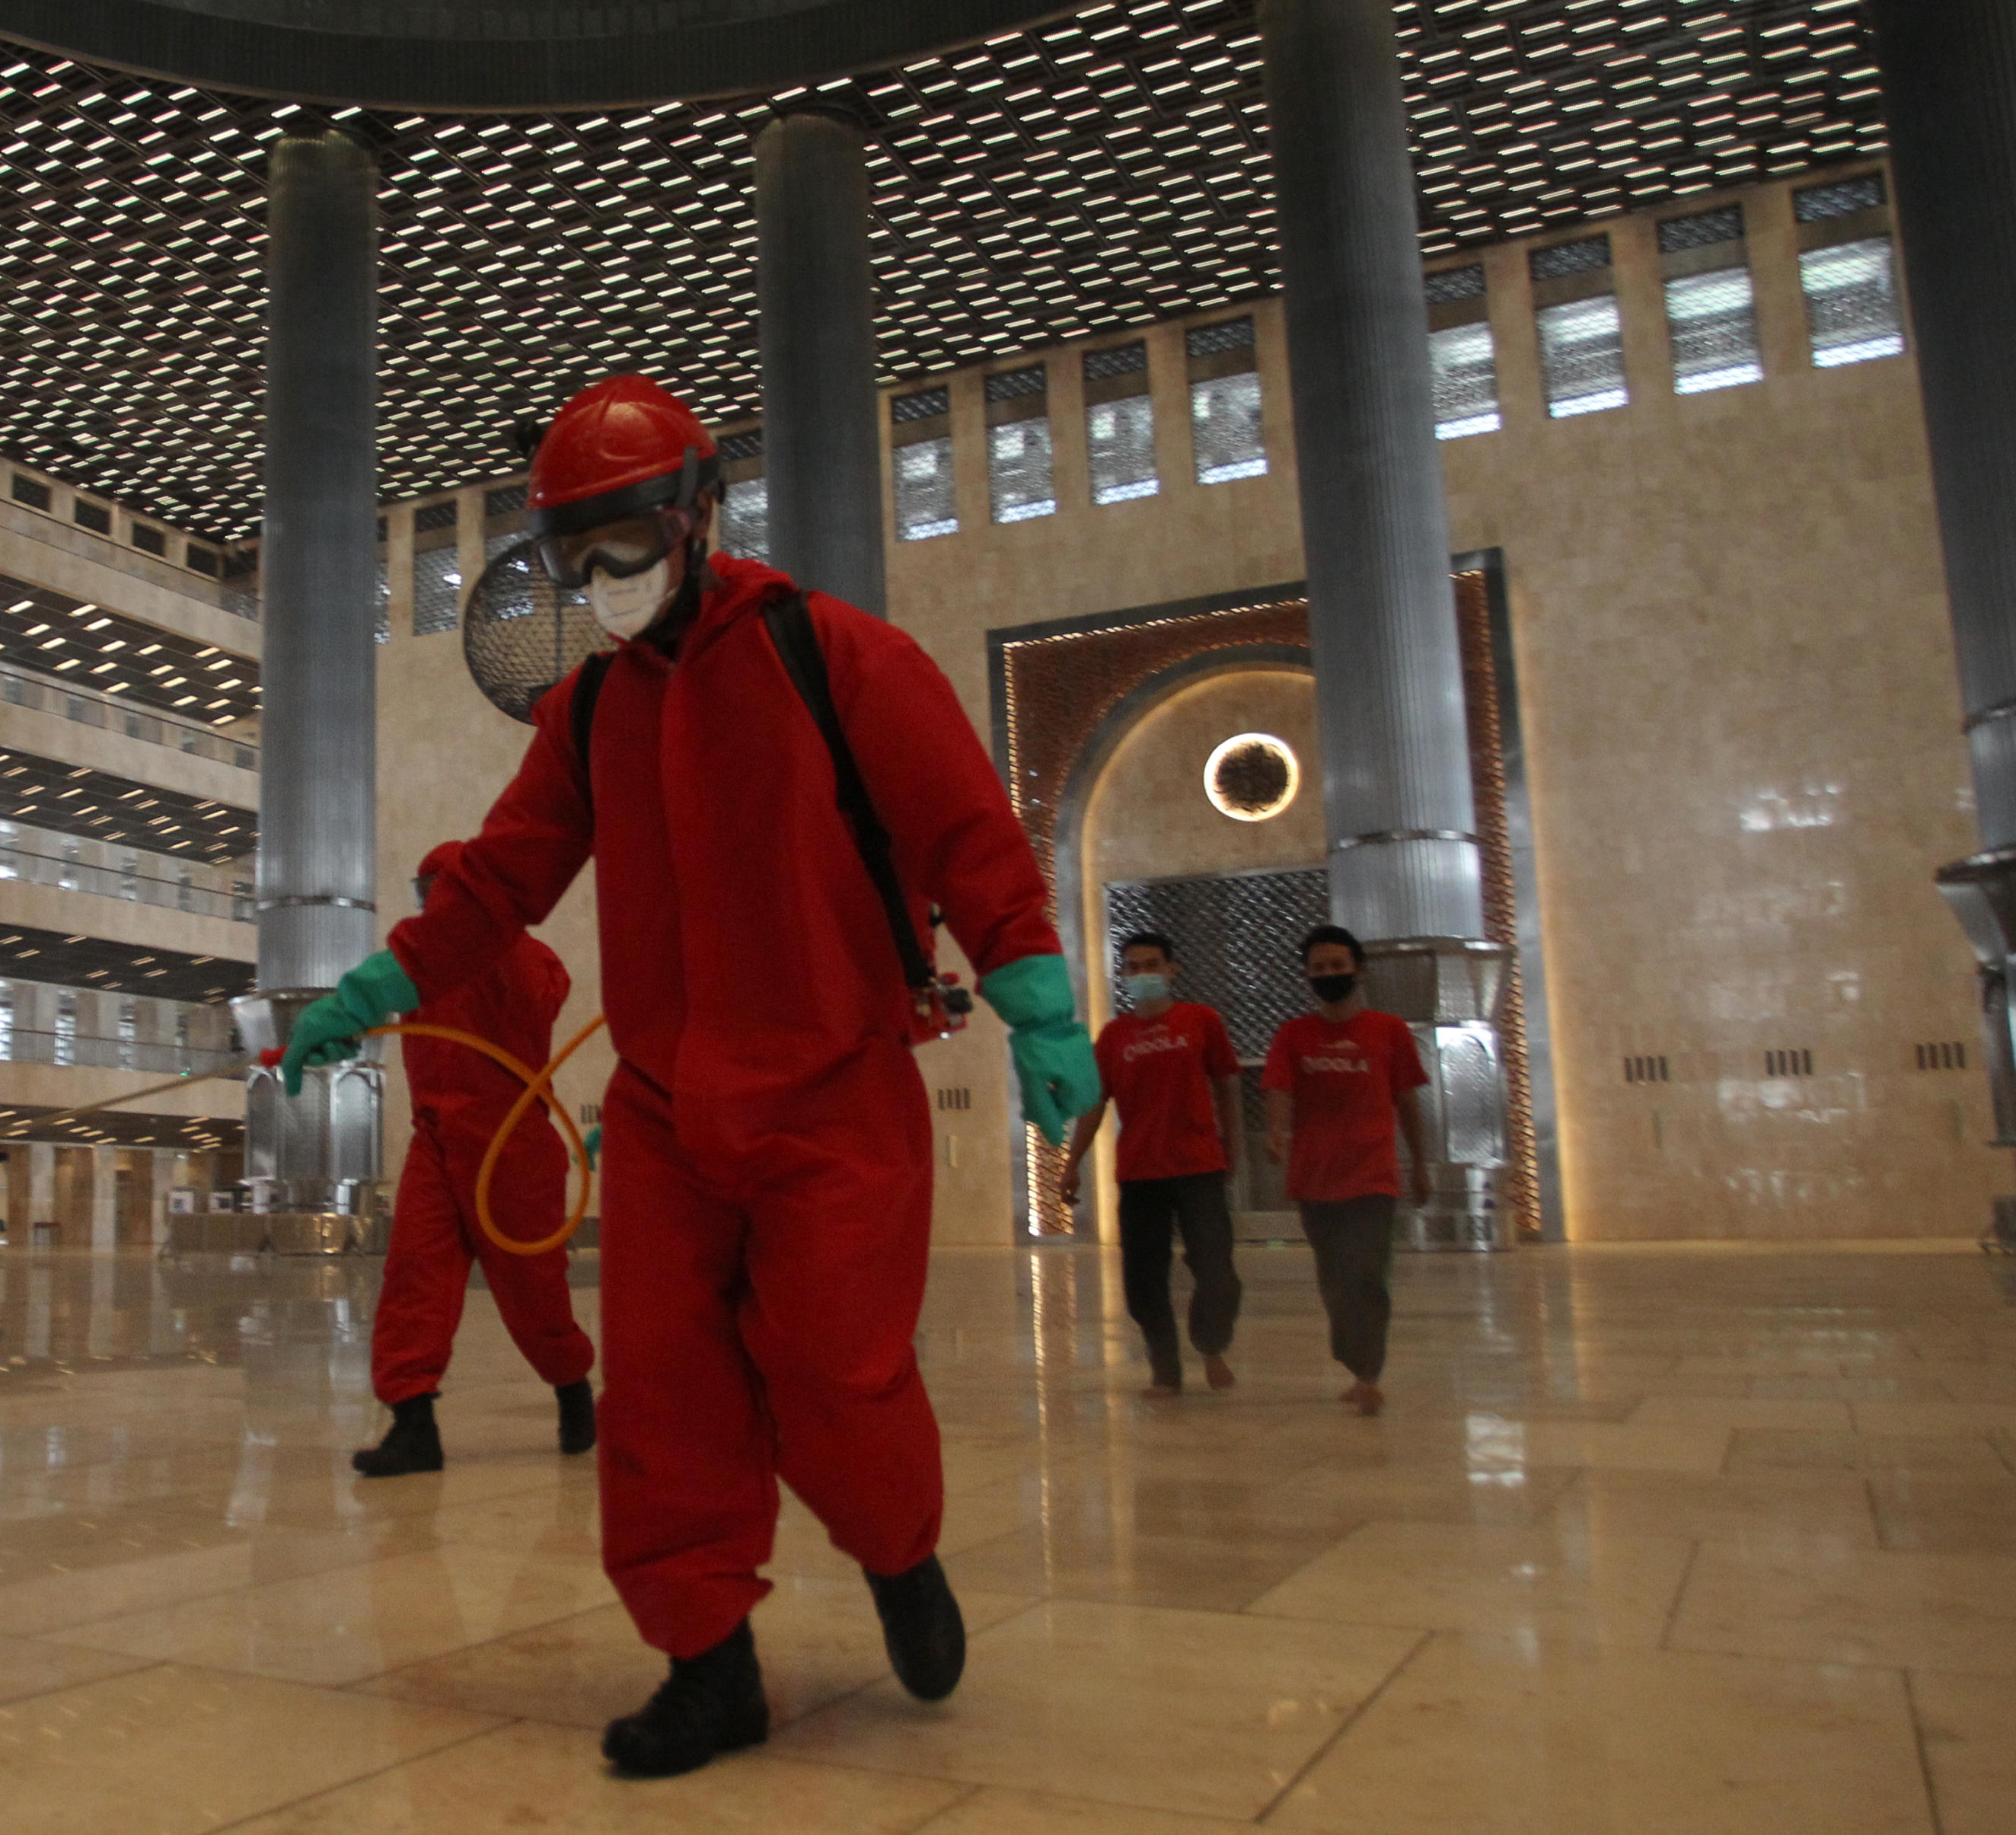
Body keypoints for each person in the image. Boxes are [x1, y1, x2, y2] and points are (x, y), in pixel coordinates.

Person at [283, 374, 1099, 1779]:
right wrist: (373, 987)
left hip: (835, 1091)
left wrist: (1037, 999)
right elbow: (500, 879)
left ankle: (899, 1551)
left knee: (836, 1373)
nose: (604, 577)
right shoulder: (590, 715)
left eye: (627, 538)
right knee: (662, 1398)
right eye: (573, 552)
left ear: (700, 513)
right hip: (665, 1110)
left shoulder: (836, 658)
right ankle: (706, 1662)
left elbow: (968, 833)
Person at [349, 841, 596, 1479]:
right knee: (414, 1276)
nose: (427, 906)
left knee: (533, 1291)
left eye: (434, 892)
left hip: (510, 1145)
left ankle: (572, 1387)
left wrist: (487, 936)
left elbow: (539, 999)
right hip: (434, 1138)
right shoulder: (422, 956)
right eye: (422, 893)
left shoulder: (523, 956)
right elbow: (388, 988)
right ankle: (413, 1423)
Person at [1262, 924, 1432, 1416]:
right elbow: (1279, 1090)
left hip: (1373, 1175)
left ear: (1358, 969)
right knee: (1336, 1281)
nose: (1329, 974)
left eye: (1338, 966)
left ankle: (1368, 1373)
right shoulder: (1294, 1035)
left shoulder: (1390, 1031)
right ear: (1307, 976)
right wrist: (1276, 1131)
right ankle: (1353, 1357)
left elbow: (1407, 1101)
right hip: (1315, 1179)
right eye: (1319, 968)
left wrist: (1419, 1163)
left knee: (1366, 1273)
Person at [1066, 931, 1243, 1399]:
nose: (1144, 973)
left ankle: (1210, 1343)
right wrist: (1071, 1164)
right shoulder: (1114, 1037)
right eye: (1134, 967)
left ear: (1172, 970)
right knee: (1143, 1279)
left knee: (1216, 1268)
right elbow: (1094, 1103)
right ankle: (1165, 1369)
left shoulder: (1202, 1021)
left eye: (1153, 964)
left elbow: (1227, 1087)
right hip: (1141, 1173)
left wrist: (1235, 1147)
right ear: (1124, 975)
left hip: (1199, 1166)